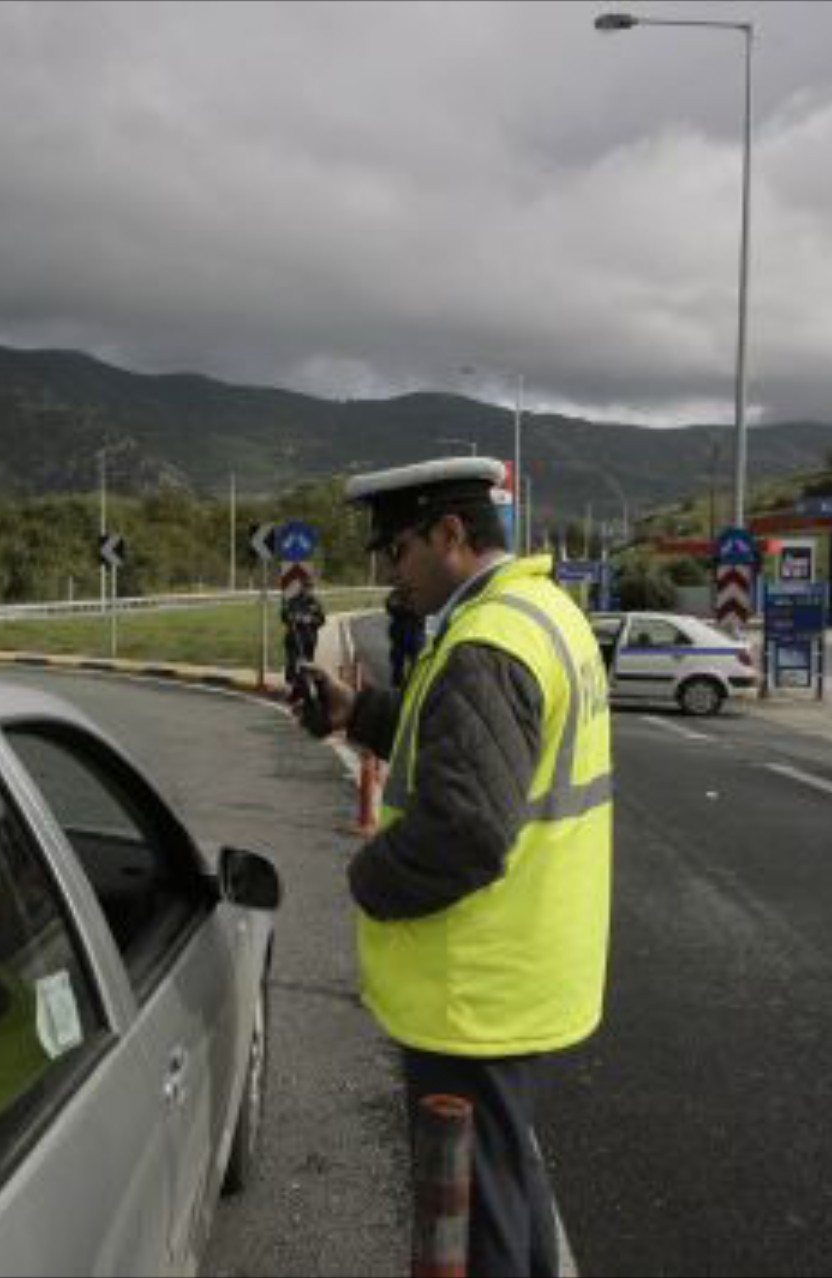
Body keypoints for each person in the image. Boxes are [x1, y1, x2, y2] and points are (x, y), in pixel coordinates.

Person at [290, 457, 613, 1278]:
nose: (389, 573)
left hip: (474, 985)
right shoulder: (541, 613)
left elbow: (464, 828)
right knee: (507, 1185)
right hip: (521, 969)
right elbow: (477, 745)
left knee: (475, 1227)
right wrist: (361, 713)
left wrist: (367, 878)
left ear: (450, 534)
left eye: (397, 550)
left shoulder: (487, 643)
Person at [385, 593, 426, 689]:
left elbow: (422, 611)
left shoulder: (420, 595)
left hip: (413, 634)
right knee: (397, 660)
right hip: (401, 633)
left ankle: (414, 684)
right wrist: (405, 607)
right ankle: (398, 684)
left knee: (417, 661)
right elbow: (390, 607)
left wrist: (408, 608)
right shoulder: (398, 594)